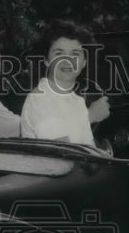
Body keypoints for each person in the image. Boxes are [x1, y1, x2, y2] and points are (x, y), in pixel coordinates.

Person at [21, 20, 111, 150]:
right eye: (59, 54)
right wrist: (90, 116)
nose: (67, 61)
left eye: (75, 54)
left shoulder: (76, 101)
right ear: (46, 60)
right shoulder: (39, 98)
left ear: (84, 62)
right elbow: (59, 150)